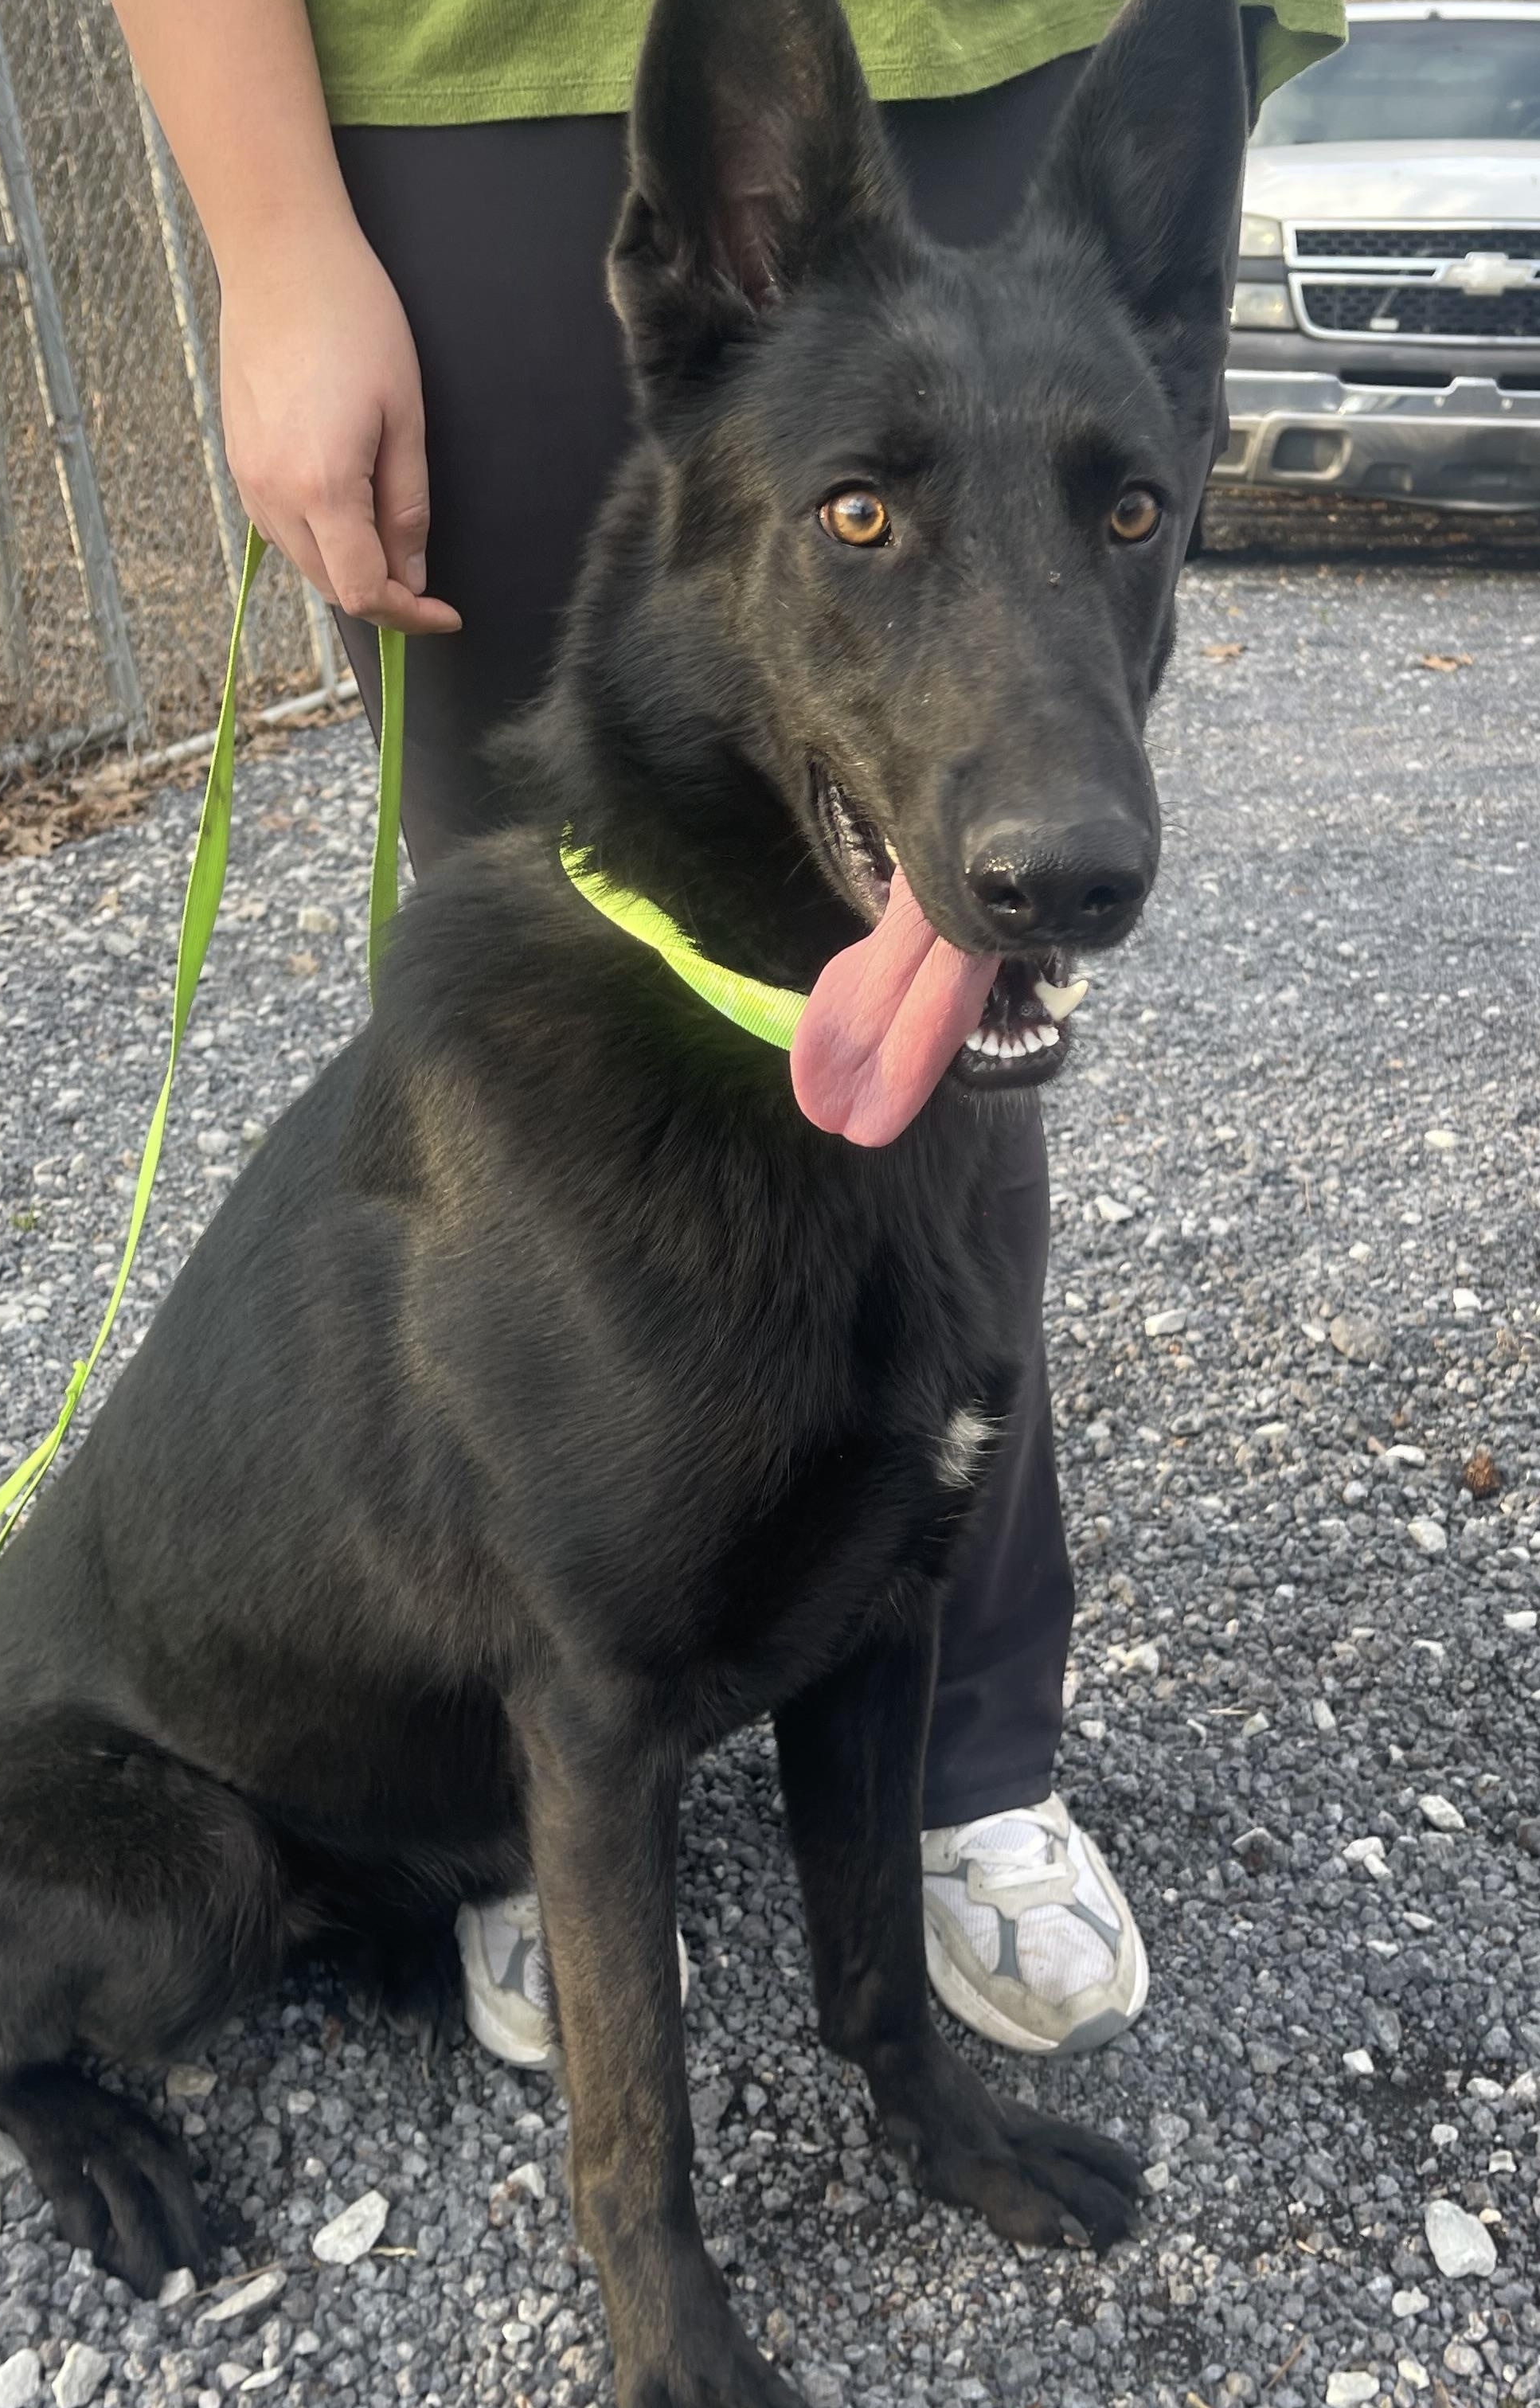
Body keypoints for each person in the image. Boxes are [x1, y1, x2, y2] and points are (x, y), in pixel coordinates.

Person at [111, 0, 1339, 2066]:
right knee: (545, 980)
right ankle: (518, 1769)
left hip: (1002, 34)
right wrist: (276, 239)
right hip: (460, 88)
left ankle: (953, 1750)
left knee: (968, 943)